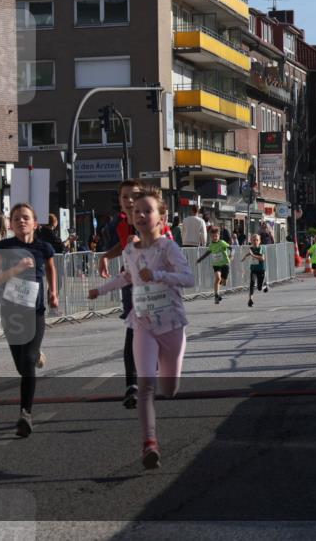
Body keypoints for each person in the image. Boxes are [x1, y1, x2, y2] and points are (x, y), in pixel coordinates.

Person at [87, 188, 194, 469]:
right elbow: (126, 276)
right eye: (137, 212)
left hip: (170, 323)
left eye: (148, 211)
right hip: (143, 322)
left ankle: (166, 377)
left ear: (161, 217)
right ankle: (149, 444)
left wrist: (158, 275)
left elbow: (188, 278)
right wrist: (100, 290)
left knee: (168, 389)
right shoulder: (131, 249)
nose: (142, 215)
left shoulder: (168, 247)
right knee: (146, 384)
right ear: (132, 218)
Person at [0, 203, 58, 437]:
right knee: (21, 364)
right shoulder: (4, 246)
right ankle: (36, 354)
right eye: (16, 218)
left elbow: (50, 268)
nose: (21, 221)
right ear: (10, 224)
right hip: (11, 310)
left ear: (35, 223)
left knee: (27, 362)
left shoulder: (43, 247)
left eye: (25, 218)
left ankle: (25, 414)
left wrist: (53, 292)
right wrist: (17, 268)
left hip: (35, 311)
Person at [98, 179, 143, 409]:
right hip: (129, 280)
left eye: (134, 195)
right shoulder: (121, 222)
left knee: (153, 328)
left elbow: (163, 241)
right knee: (132, 326)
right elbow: (123, 246)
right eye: (125, 197)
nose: (129, 201)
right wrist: (106, 256)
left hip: (153, 281)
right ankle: (132, 385)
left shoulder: (149, 216)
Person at [196, 227, 231, 304]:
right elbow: (207, 253)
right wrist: (200, 259)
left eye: (216, 236)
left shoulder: (222, 242)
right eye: (213, 236)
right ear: (210, 237)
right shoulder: (211, 245)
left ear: (219, 236)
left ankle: (223, 281)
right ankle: (216, 295)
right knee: (217, 278)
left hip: (224, 263)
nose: (214, 238)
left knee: (224, 281)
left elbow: (230, 248)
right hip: (216, 265)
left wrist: (232, 254)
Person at [240, 233, 267, 307]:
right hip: (253, 269)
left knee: (259, 288)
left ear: (259, 241)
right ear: (251, 241)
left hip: (261, 270)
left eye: (257, 240)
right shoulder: (251, 248)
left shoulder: (261, 248)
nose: (255, 242)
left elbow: (262, 258)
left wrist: (253, 255)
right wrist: (245, 256)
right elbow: (250, 253)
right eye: (254, 240)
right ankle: (250, 300)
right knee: (251, 284)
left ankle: (264, 284)